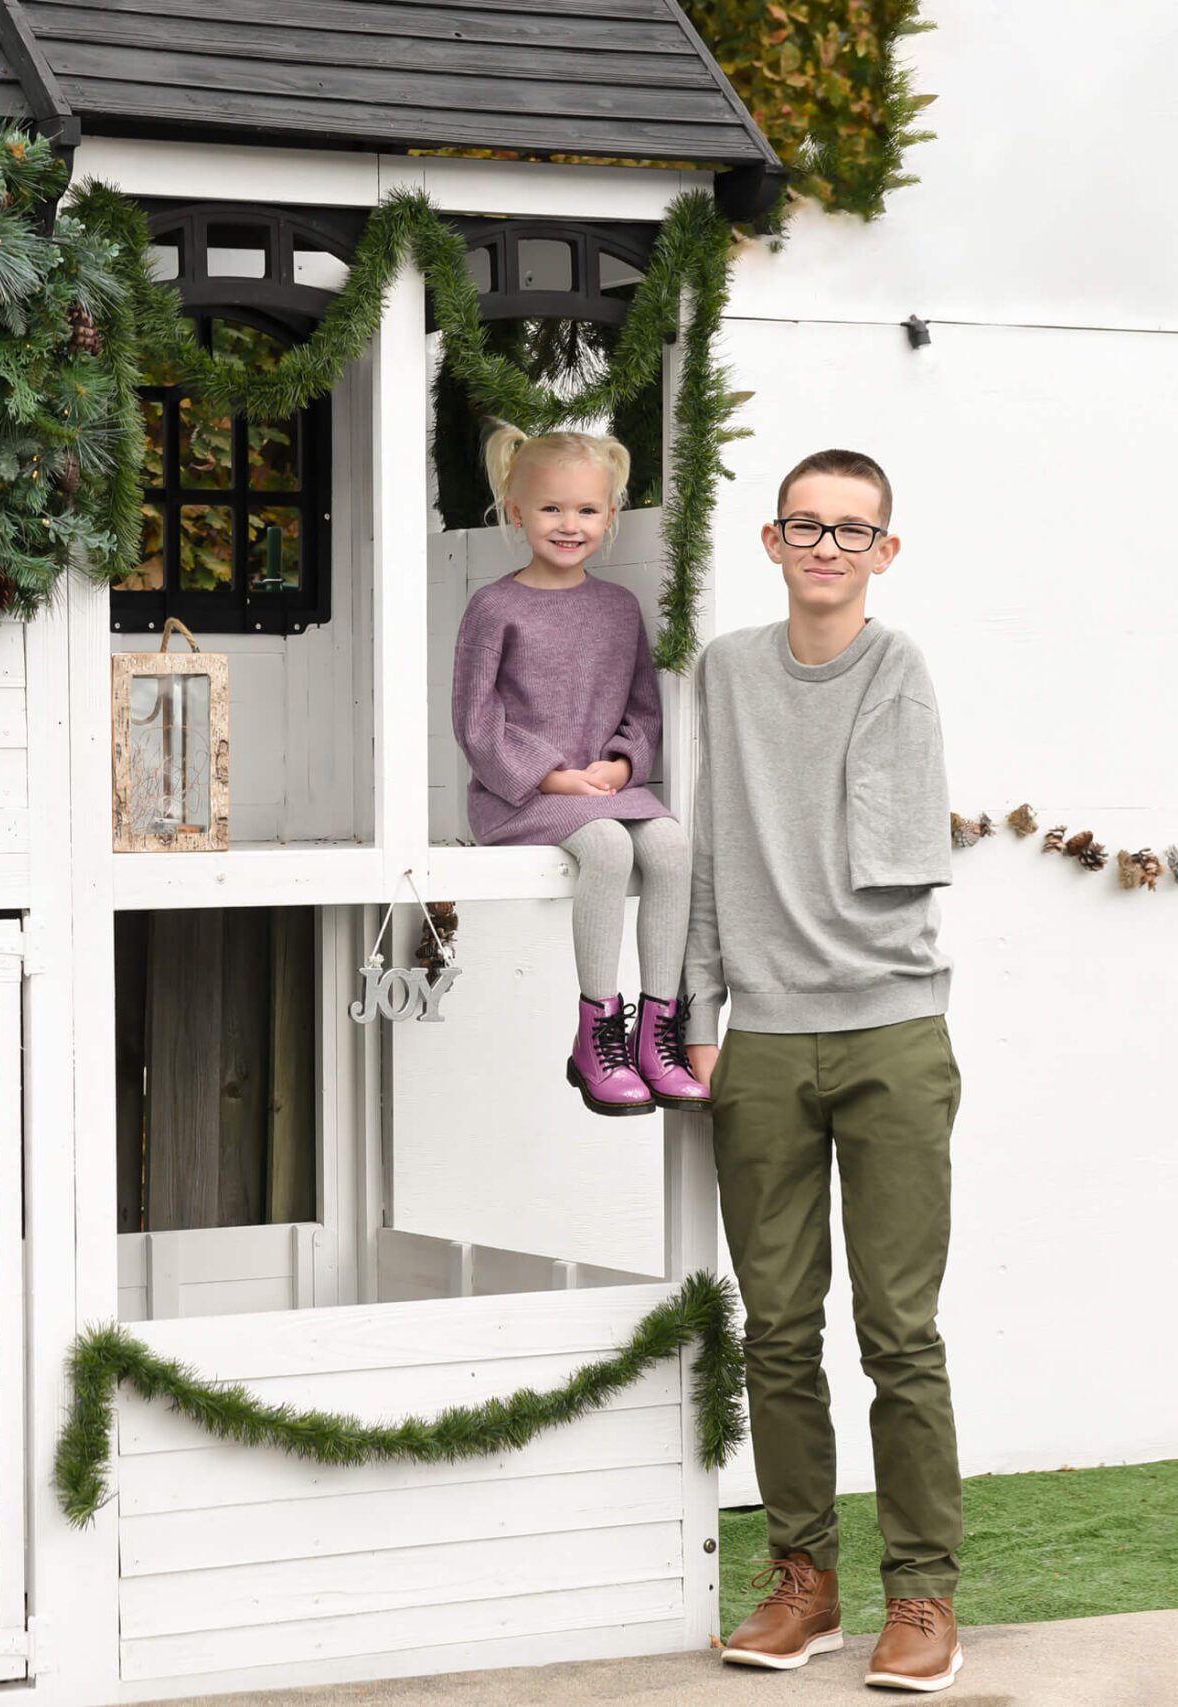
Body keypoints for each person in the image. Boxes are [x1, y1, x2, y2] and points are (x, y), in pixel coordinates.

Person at [683, 448, 964, 1693]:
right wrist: (700, 1003)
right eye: (806, 526)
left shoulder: (895, 665)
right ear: (771, 539)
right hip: (760, 1037)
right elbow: (702, 843)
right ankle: (804, 1578)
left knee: (898, 1332)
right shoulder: (725, 671)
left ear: (884, 553)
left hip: (893, 1029)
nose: (827, 549)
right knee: (776, 1332)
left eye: (853, 532)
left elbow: (892, 848)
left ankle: (923, 1598)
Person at [451, 426, 707, 1118]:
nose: (570, 525)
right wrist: (552, 777)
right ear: (515, 511)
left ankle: (658, 1031)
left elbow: (643, 708)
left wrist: (624, 761)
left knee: (672, 844)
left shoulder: (619, 609)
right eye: (552, 509)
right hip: (522, 797)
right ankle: (598, 1032)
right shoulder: (495, 608)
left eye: (588, 511)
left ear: (611, 517)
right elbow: (477, 724)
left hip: (606, 788)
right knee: (607, 846)